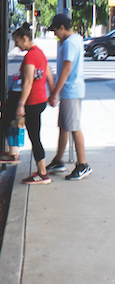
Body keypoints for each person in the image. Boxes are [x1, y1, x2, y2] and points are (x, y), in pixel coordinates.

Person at [6, 25, 55, 184]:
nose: (16, 45)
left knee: (34, 137)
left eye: (17, 41)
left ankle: (42, 173)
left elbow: (27, 82)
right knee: (33, 134)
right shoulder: (39, 53)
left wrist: (21, 104)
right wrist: (52, 93)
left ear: (25, 38)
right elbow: (48, 73)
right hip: (41, 99)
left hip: (32, 101)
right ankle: (12, 153)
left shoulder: (30, 57)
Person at [46, 13, 92, 180]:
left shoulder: (68, 44)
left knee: (74, 127)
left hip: (71, 89)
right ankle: (59, 160)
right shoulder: (75, 39)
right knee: (65, 126)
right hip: (71, 90)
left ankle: (82, 164)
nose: (54, 34)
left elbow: (66, 70)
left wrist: (54, 92)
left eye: (55, 30)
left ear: (62, 28)